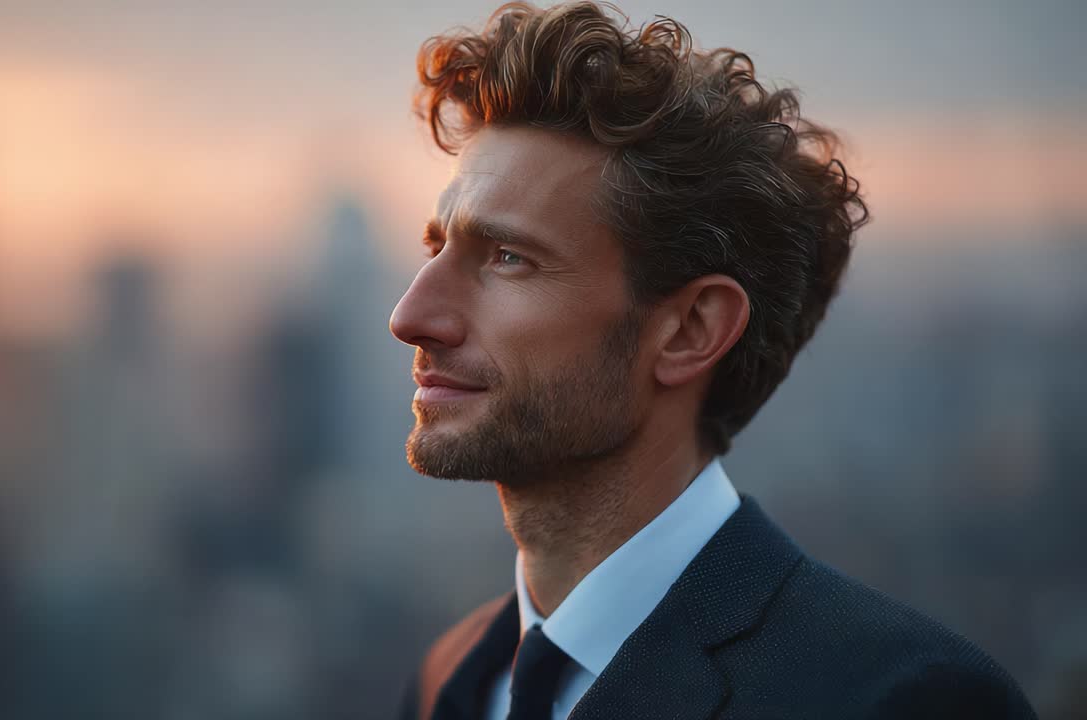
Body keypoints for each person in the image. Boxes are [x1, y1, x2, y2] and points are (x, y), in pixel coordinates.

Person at [388, 2, 1037, 719]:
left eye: (508, 257)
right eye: (435, 247)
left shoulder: (899, 699)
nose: (410, 317)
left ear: (692, 330)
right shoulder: (451, 678)